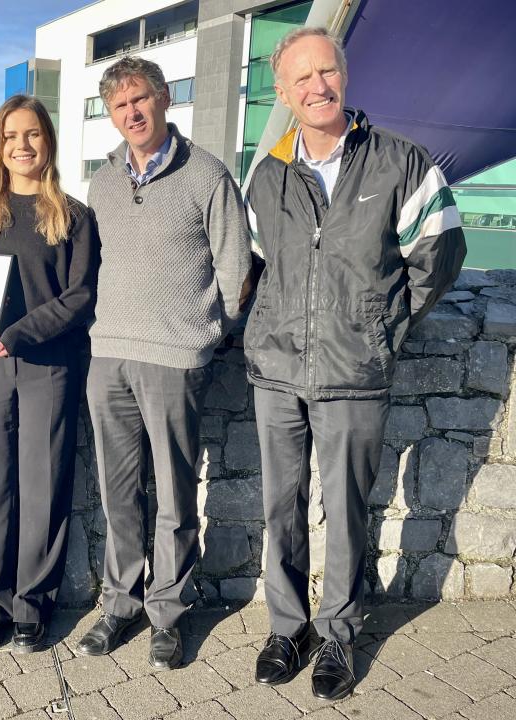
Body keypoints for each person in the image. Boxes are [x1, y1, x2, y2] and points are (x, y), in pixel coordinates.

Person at [244, 27, 466, 700]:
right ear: (282, 92)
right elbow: (254, 265)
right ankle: (289, 628)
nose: (317, 87)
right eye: (302, 78)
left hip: (353, 372)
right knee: (280, 508)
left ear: (344, 78)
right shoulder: (268, 176)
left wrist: (383, 328)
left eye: (327, 73)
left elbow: (442, 249)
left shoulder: (400, 163)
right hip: (276, 371)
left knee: (344, 511)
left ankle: (338, 634)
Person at [75, 56, 252, 670]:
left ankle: (168, 615)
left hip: (175, 358)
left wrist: (208, 336)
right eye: (120, 104)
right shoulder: (101, 184)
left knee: (175, 495)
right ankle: (120, 605)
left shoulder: (207, 174)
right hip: (109, 356)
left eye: (141, 99)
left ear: (164, 98)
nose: (132, 112)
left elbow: (235, 268)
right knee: (118, 491)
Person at [0, 95, 99, 654]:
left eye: (33, 134)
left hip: (48, 366)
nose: (22, 145)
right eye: (11, 136)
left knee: (43, 488)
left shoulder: (73, 215)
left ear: (48, 141)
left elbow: (80, 297)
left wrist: (17, 334)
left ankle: (33, 607)